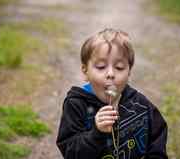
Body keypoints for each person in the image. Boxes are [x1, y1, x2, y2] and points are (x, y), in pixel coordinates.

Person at [56, 28, 168, 159]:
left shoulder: (140, 104)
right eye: (101, 67)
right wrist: (96, 133)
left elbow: (158, 137)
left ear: (129, 72)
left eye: (119, 67)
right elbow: (70, 152)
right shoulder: (76, 105)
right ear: (85, 71)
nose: (110, 74)